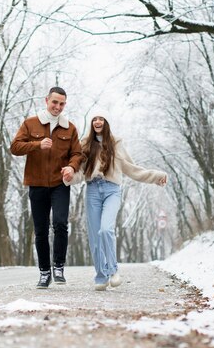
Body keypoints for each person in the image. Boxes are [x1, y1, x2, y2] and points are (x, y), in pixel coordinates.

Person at [65, 107, 167, 291]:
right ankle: (101, 276)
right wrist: (68, 177)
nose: (97, 122)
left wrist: (156, 176)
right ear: (91, 123)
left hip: (112, 190)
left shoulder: (116, 144)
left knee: (105, 230)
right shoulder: (85, 144)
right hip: (93, 190)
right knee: (95, 237)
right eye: (94, 119)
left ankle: (113, 270)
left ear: (106, 122)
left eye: (101, 118)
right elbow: (80, 173)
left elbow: (132, 169)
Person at [10, 87, 83, 288]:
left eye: (61, 104)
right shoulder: (30, 123)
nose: (58, 107)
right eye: (55, 102)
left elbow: (77, 153)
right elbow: (15, 147)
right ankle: (44, 272)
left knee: (60, 224)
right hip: (37, 183)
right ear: (47, 101)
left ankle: (58, 266)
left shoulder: (70, 128)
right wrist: (37, 144)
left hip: (60, 184)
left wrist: (71, 166)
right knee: (40, 230)